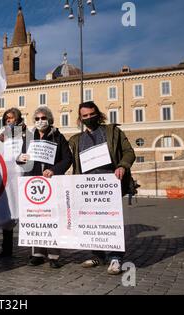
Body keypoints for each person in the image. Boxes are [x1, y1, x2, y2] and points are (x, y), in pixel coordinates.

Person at [69, 101, 136, 275]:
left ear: (98, 114)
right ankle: (98, 255)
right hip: (87, 187)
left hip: (109, 185)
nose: (89, 118)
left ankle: (116, 257)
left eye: (92, 114)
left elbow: (129, 152)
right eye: (85, 116)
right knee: (92, 222)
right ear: (80, 118)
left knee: (112, 221)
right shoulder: (76, 140)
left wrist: (122, 165)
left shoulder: (113, 132)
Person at [19, 106, 73, 268]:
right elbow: (21, 159)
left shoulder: (58, 137)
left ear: (49, 120)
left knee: (53, 217)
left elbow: (67, 159)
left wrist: (54, 170)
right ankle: (37, 253)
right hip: (33, 183)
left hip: (52, 183)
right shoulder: (28, 137)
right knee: (36, 217)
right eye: (37, 119)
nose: (40, 121)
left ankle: (54, 255)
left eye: (43, 118)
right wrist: (20, 158)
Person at [0, 108, 31, 258]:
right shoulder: (3, 136)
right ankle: (7, 249)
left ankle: (34, 250)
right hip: (7, 177)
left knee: (26, 212)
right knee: (8, 213)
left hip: (23, 175)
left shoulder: (26, 134)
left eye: (12, 118)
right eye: (7, 119)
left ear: (18, 119)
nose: (9, 121)